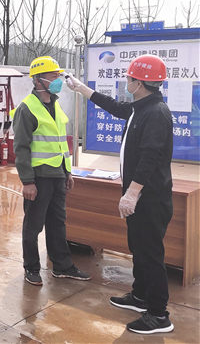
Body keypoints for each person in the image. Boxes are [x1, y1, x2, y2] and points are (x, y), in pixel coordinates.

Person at [67, 54, 174, 334]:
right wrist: (81, 88)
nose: (126, 81)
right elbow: (114, 107)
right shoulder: (141, 107)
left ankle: (159, 315)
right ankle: (140, 297)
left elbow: (150, 157)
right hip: (140, 197)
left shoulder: (156, 113)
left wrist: (132, 193)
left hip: (150, 199)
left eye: (129, 78)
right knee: (138, 248)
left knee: (150, 254)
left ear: (139, 83)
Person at [12, 56, 91, 286]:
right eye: (53, 76)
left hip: (57, 175)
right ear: (38, 80)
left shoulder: (55, 105)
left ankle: (62, 266)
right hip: (39, 178)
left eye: (58, 76)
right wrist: (27, 181)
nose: (58, 80)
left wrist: (67, 171)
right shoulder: (27, 108)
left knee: (58, 223)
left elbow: (60, 143)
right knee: (33, 225)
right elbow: (21, 148)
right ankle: (31, 268)